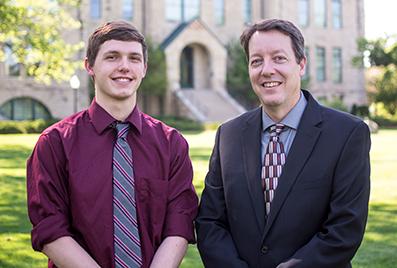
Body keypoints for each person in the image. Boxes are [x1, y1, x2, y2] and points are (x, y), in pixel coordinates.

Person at [195, 18, 370, 268]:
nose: (266, 70)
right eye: (257, 61)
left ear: (301, 64)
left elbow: (344, 230)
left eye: (279, 58)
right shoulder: (229, 135)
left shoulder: (347, 134)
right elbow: (210, 222)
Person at [27, 21, 198, 268]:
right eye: (112, 57)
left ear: (144, 68)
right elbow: (49, 227)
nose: (124, 67)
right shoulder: (54, 143)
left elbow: (179, 223)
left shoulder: (171, 143)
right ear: (90, 66)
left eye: (134, 58)